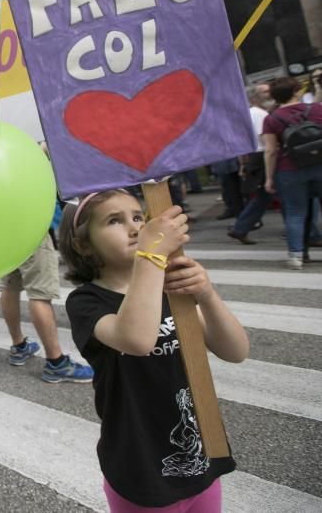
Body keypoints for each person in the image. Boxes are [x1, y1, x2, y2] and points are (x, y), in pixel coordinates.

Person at [58, 190, 248, 511]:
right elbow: (136, 339)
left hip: (199, 455)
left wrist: (206, 293)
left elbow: (235, 350)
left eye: (138, 217)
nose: (135, 229)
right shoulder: (86, 302)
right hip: (139, 464)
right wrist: (151, 255)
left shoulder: (168, 286)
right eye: (114, 221)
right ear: (83, 244)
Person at [0, 235, 93, 383]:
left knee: (9, 287)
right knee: (40, 293)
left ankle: (19, 347)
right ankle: (56, 363)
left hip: (3, 232)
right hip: (30, 227)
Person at [262, 77, 322, 270]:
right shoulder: (316, 109)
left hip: (290, 169)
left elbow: (270, 151)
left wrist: (269, 178)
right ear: (296, 91)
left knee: (295, 213)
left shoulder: (272, 119)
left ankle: (296, 255)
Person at [228, 85, 274, 245]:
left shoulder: (251, 113)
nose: (269, 94)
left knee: (265, 196)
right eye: (264, 92)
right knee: (265, 195)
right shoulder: (260, 114)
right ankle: (240, 227)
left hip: (256, 155)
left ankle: (240, 228)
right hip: (263, 155)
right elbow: (265, 138)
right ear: (254, 97)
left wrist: (243, 162)